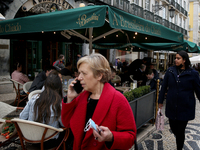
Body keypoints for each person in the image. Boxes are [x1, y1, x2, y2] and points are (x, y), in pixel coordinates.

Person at [61, 53, 137, 150]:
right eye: (79, 73)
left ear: (99, 76)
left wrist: (111, 137)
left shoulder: (118, 99)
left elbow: (130, 137)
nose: (79, 77)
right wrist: (70, 98)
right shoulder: (82, 96)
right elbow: (67, 123)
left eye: (83, 73)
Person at [158, 51, 200, 150]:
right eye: (175, 58)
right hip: (172, 105)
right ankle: (180, 139)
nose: (175, 60)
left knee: (181, 129)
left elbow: (198, 90)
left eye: (178, 58)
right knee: (173, 127)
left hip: (185, 106)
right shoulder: (170, 71)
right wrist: (160, 101)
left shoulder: (193, 74)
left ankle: (179, 148)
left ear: (184, 60)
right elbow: (164, 87)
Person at [19, 70, 65, 149]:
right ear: (59, 87)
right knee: (69, 132)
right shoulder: (58, 104)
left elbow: (22, 117)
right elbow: (63, 124)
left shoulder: (34, 99)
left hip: (31, 138)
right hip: (49, 140)